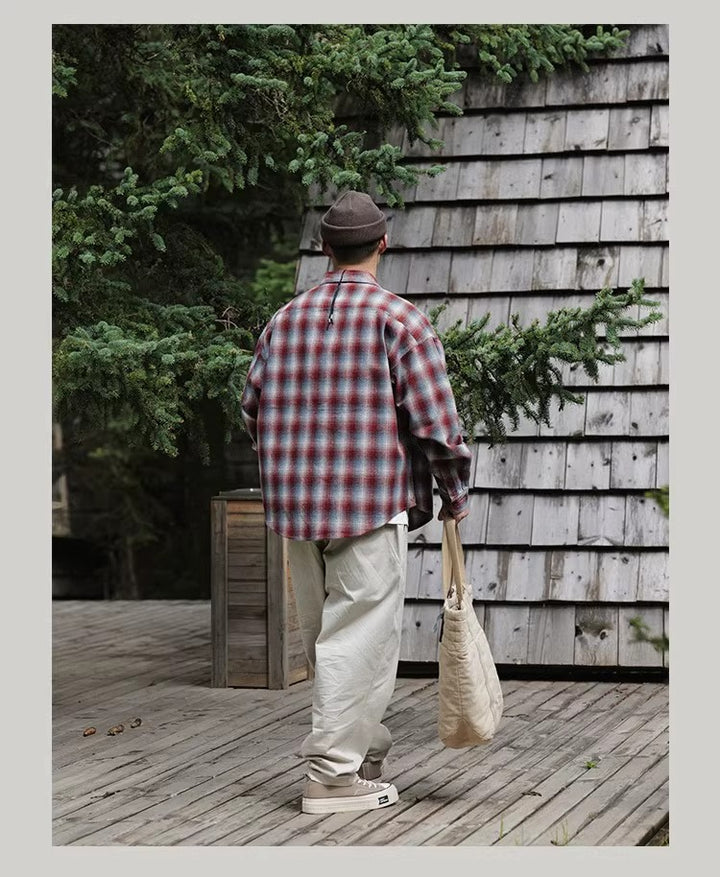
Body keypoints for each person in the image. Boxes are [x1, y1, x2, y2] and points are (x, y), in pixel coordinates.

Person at [241, 190, 471, 815]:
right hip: (369, 506)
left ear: (324, 248)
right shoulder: (401, 321)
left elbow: (252, 412)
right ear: (383, 245)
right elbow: (435, 422)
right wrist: (454, 492)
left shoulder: (282, 322)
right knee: (358, 640)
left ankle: (364, 752)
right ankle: (332, 778)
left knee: (330, 640)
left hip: (295, 512)